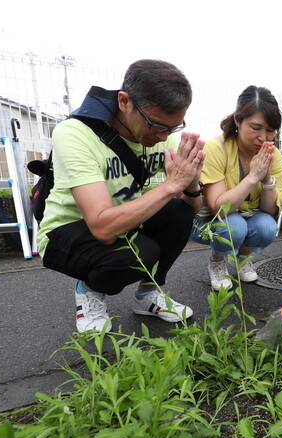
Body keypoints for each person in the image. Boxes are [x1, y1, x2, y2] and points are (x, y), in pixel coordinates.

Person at [37, 59, 205, 334]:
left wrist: (190, 179)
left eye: (172, 128)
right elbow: (103, 228)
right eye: (156, 125)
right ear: (124, 101)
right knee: (141, 253)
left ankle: (148, 294)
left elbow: (193, 208)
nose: (163, 138)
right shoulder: (75, 134)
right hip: (67, 231)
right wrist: (170, 185)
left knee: (179, 212)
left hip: (125, 222)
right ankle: (89, 291)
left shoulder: (161, 138)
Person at [190, 86, 282, 291]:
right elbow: (219, 208)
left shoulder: (273, 154)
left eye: (270, 130)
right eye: (256, 127)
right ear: (237, 121)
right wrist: (252, 177)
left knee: (268, 226)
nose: (264, 137)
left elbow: (269, 211)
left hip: (246, 215)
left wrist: (266, 177)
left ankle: (242, 259)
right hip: (207, 222)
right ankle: (217, 262)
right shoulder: (215, 147)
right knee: (234, 226)